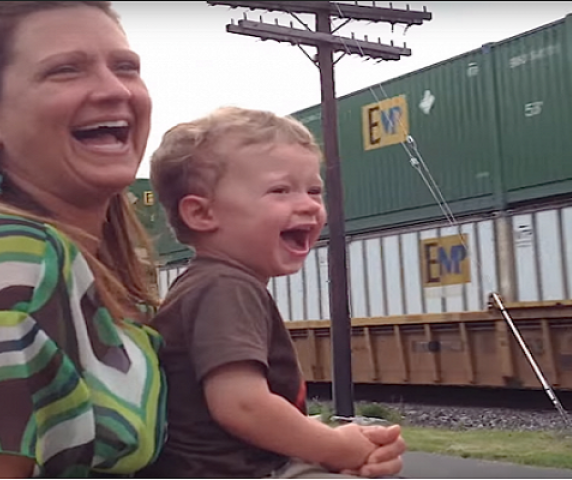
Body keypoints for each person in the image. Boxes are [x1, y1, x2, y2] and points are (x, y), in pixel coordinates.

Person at [139, 105, 407, 478]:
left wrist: (343, 445)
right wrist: (338, 448)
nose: (308, 205)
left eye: (314, 190)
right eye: (280, 190)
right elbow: (242, 406)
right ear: (202, 214)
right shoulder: (225, 287)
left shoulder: (212, 284)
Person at [0, 1, 167, 477]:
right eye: (66, 70)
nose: (115, 90)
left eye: (126, 68)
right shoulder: (18, 261)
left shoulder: (89, 274)